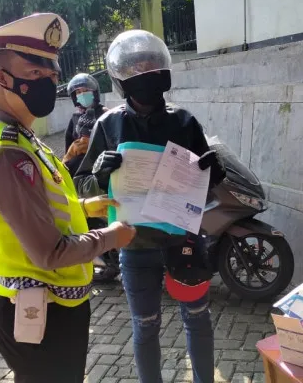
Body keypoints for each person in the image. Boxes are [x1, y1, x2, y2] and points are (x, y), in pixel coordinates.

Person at [0, 13, 136, 382]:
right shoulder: (6, 152)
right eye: (34, 75)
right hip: (40, 314)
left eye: (52, 75)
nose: (46, 83)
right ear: (2, 77)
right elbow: (50, 252)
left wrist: (82, 207)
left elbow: (38, 210)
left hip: (54, 307)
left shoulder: (23, 137)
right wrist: (113, 237)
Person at [74, 30, 226, 383]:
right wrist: (98, 174)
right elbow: (80, 186)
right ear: (121, 78)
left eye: (150, 63)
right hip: (134, 244)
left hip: (184, 240)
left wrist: (213, 173)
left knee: (198, 320)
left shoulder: (184, 122)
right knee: (145, 328)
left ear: (163, 71)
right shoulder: (108, 124)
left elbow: (205, 183)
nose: (144, 70)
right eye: (135, 66)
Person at [63, 73, 108, 176]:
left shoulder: (105, 113)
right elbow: (68, 142)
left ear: (94, 92)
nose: (82, 94)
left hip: (99, 167)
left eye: (86, 90)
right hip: (78, 171)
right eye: (78, 92)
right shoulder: (75, 117)